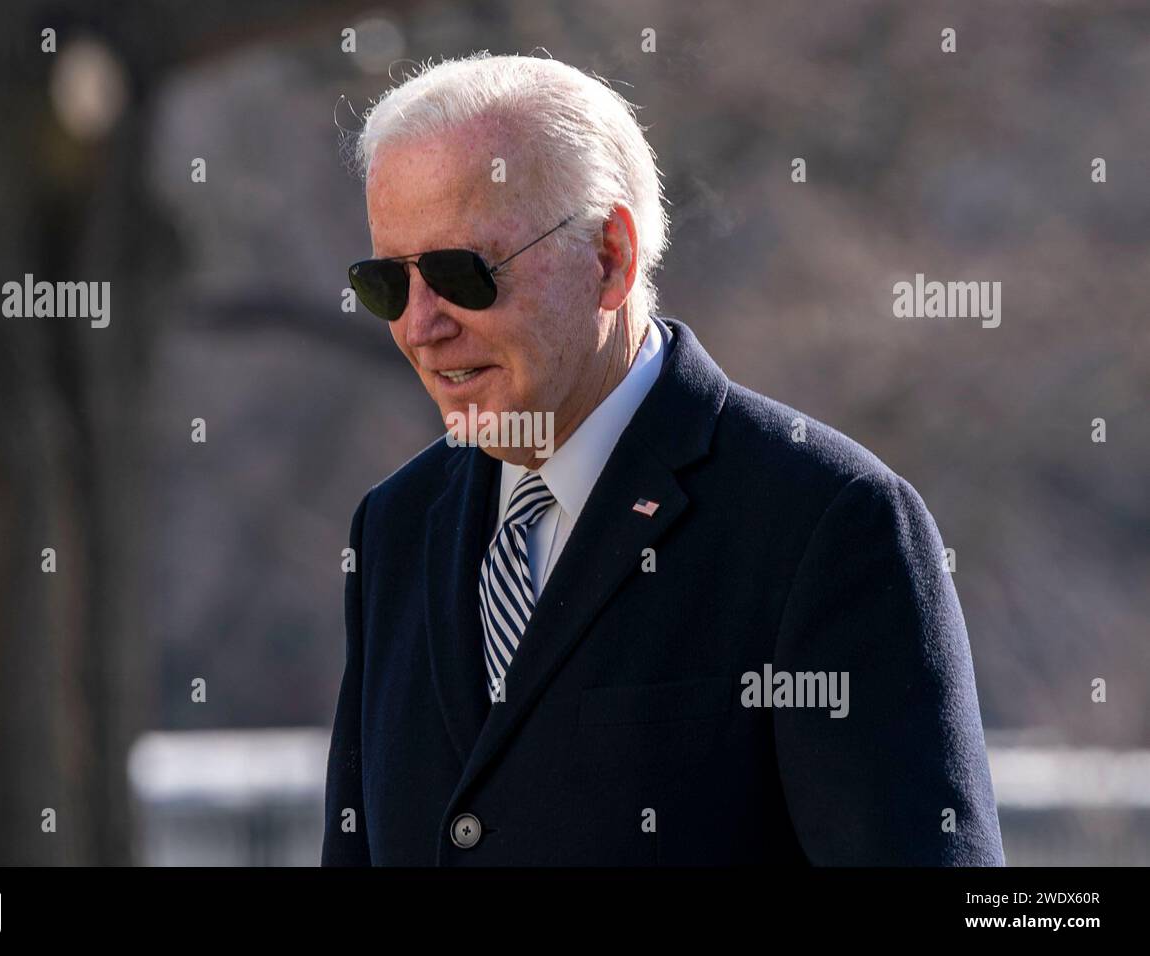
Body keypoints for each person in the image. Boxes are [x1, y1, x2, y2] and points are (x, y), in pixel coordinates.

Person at [323, 52, 1004, 865]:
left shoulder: (827, 521)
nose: (420, 326)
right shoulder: (394, 528)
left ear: (609, 257)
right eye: (387, 285)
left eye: (461, 273)